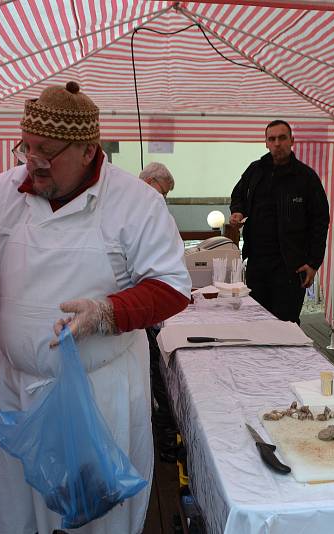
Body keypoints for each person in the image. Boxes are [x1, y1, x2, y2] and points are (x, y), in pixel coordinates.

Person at [0, 81, 191, 534]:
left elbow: (171, 285)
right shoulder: (6, 191)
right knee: (20, 516)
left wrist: (106, 312)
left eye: (47, 152)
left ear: (87, 150)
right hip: (20, 393)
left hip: (98, 398)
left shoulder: (136, 202)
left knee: (93, 519)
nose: (33, 163)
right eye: (27, 148)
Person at [229, 120, 330, 323]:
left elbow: (320, 221)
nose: (277, 143)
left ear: (292, 141)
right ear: (266, 143)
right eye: (272, 139)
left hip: (291, 267)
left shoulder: (306, 177)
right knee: (256, 322)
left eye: (282, 138)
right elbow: (237, 195)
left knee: (286, 325)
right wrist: (238, 212)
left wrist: (313, 263)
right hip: (257, 263)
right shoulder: (255, 170)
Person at [138, 161, 180, 460]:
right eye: (162, 192)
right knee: (157, 372)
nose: (162, 198)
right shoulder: (138, 207)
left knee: (157, 370)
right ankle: (165, 441)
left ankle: (164, 435)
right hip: (142, 308)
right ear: (150, 181)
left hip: (148, 307)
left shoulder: (147, 208)